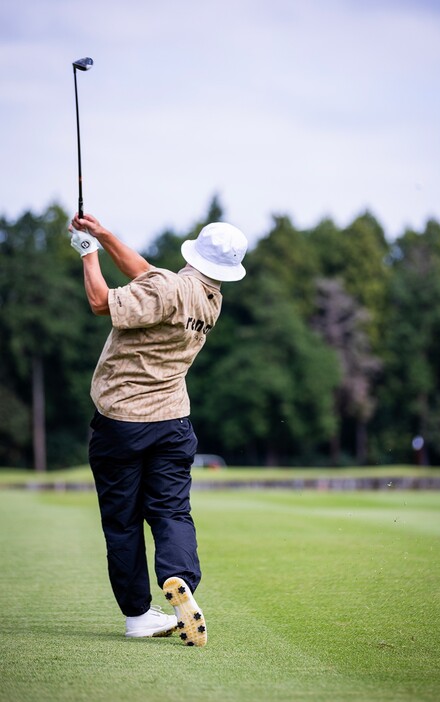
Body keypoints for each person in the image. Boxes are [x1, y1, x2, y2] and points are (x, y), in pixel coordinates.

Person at [69, 212, 248, 646]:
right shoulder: (210, 300)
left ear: (194, 252)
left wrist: (88, 252)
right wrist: (108, 235)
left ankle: (137, 616)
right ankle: (177, 577)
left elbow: (100, 302)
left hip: (122, 424)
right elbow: (151, 278)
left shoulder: (168, 288)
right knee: (171, 512)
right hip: (173, 424)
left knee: (123, 522)